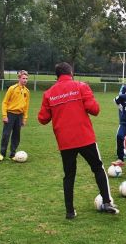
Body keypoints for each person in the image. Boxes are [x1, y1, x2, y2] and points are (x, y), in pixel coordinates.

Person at [38, 62, 119, 218]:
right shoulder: (81, 86)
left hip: (65, 141)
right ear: (71, 72)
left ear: (57, 75)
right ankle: (107, 202)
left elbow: (43, 119)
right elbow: (94, 110)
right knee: (98, 168)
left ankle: (70, 212)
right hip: (85, 137)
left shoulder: (48, 94)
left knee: (69, 175)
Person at [0, 70, 30, 161]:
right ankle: (2, 154)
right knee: (6, 134)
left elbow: (26, 106)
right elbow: (5, 102)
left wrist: (25, 118)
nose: (25, 80)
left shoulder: (27, 91)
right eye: (23, 78)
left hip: (19, 116)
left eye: (26, 78)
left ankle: (12, 154)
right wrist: (4, 115)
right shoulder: (12, 88)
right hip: (10, 114)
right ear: (19, 78)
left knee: (16, 135)